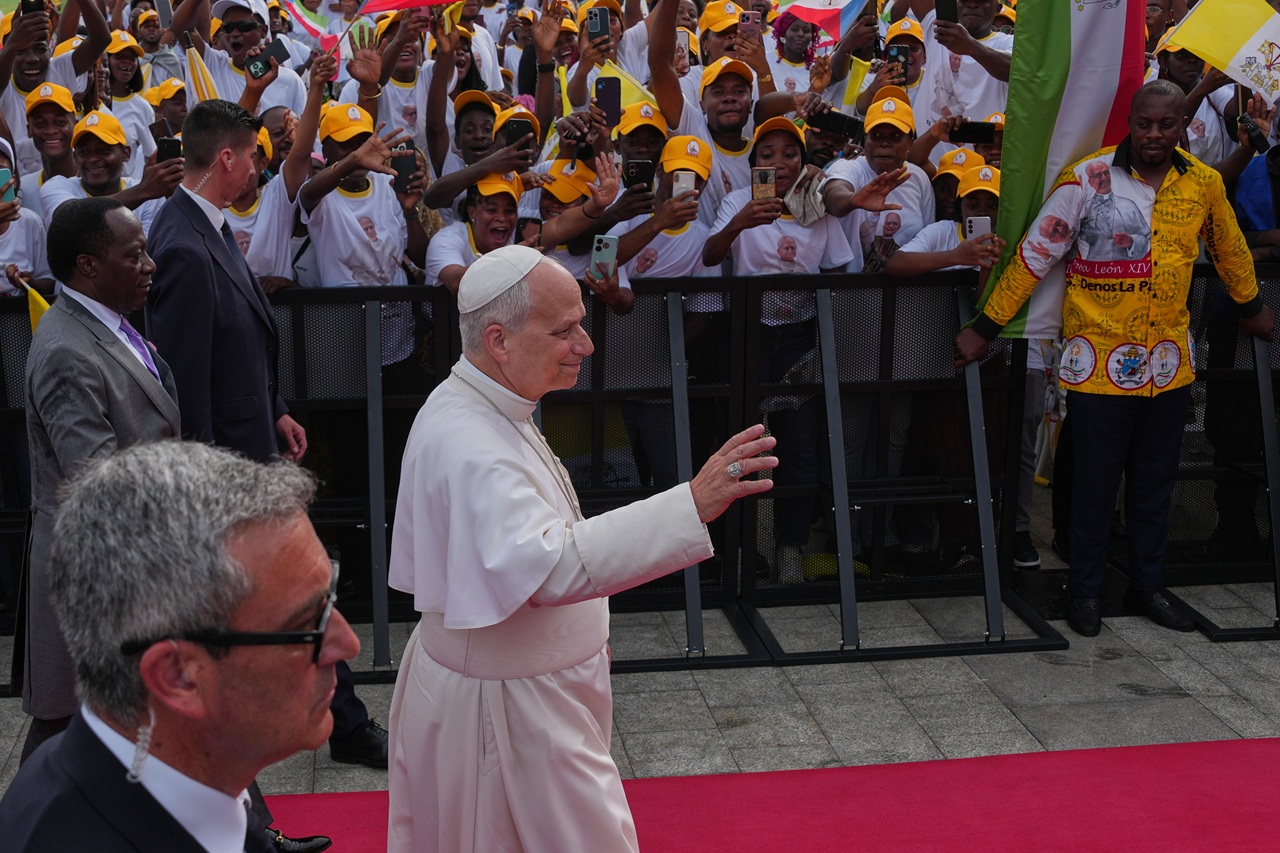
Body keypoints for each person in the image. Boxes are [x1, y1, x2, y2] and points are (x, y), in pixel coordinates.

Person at [386, 246, 778, 852]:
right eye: (564, 330)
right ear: (499, 340)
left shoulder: (485, 402)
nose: (586, 346)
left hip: (522, 695)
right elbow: (545, 568)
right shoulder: (470, 441)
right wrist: (690, 505)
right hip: (511, 712)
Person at [954, 80, 1276, 637]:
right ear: (1130, 121)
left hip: (1169, 366)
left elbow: (1229, 249)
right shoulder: (1087, 177)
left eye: (1167, 125)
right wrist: (985, 327)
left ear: (1182, 126)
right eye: (1145, 123)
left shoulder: (1202, 183)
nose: (1154, 135)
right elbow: (1035, 254)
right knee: (1095, 488)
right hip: (1097, 367)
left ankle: (1148, 587)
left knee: (1154, 487)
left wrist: (1252, 307)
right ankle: (1085, 591)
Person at [0, 441, 362, 852]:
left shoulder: (177, 788)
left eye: (329, 597)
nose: (348, 644)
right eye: (306, 624)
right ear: (178, 676)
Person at [18, 197, 179, 765]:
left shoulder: (106, 325)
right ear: (88, 266)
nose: (149, 265)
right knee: (64, 731)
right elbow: (99, 480)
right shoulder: (67, 350)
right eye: (133, 255)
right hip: (99, 576)